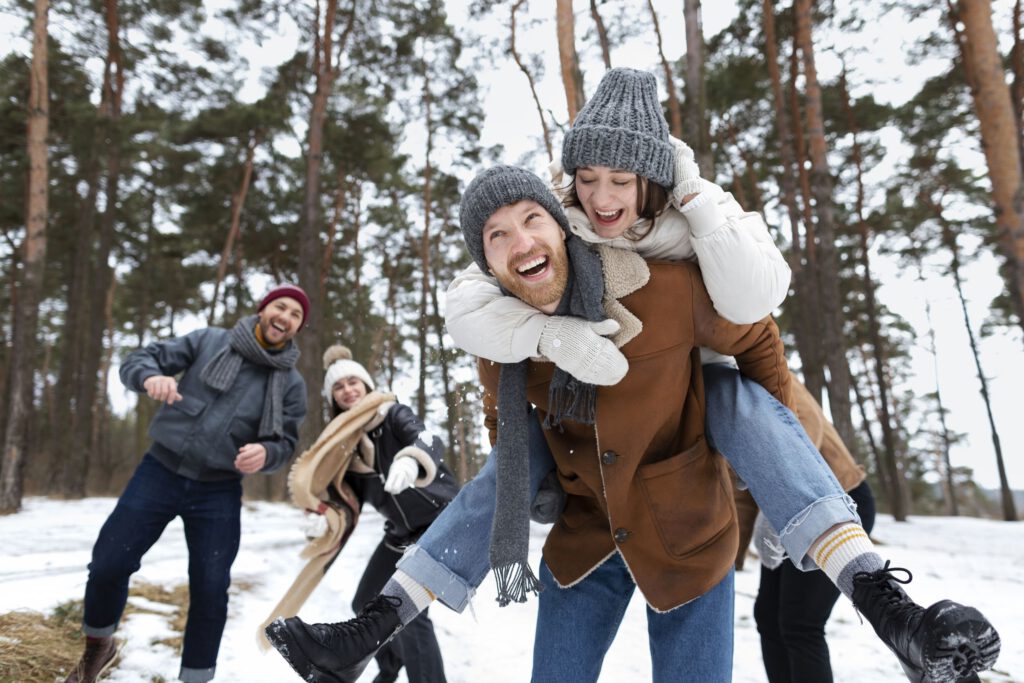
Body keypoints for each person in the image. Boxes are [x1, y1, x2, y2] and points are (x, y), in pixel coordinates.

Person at [265, 166, 1000, 682]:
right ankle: (373, 626)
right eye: (495, 236)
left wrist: (765, 448)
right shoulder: (504, 342)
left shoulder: (664, 289)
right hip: (585, 542)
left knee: (729, 393)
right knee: (517, 460)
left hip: (688, 535)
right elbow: (504, 439)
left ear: (560, 227)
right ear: (488, 265)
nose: (520, 241)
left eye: (530, 220)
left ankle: (887, 603)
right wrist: (540, 490)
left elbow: (757, 337)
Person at [64, 284, 310, 683]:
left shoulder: (291, 384)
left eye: (296, 315)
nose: (285, 317)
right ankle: (99, 646)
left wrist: (268, 453)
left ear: (299, 327)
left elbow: (286, 443)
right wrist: (150, 377)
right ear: (264, 309)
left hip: (219, 489)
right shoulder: (210, 340)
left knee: (211, 589)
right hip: (160, 470)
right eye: (280, 307)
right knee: (110, 563)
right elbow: (141, 359)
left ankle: (195, 678)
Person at [263, 344, 458, 683]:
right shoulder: (343, 449)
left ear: (367, 386)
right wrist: (324, 518)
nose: (348, 390)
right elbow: (345, 503)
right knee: (365, 600)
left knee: (410, 616)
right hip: (400, 533)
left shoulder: (392, 414)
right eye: (339, 387)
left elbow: (428, 440)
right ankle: (390, 668)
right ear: (332, 398)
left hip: (440, 522)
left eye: (354, 382)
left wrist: (411, 459)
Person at [735, 379, 877, 682]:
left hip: (834, 503)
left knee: (800, 623)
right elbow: (742, 489)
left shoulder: (759, 363)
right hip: (778, 511)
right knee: (768, 617)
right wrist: (731, 557)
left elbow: (805, 422)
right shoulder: (715, 389)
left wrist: (784, 494)